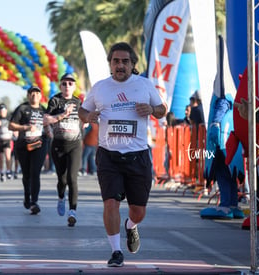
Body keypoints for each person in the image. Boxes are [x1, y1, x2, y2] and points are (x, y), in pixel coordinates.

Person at [78, 42, 167, 267]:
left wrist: (152, 110)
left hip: (138, 155)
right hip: (109, 155)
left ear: (132, 64)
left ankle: (131, 226)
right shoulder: (100, 87)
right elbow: (82, 109)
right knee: (110, 203)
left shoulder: (144, 85)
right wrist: (87, 117)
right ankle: (116, 251)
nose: (120, 65)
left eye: (125, 61)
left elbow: (162, 109)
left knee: (139, 210)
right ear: (110, 64)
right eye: (116, 61)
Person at [9, 86, 74, 215]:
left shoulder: (44, 110)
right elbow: (11, 125)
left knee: (35, 173)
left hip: (39, 144)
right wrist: (25, 127)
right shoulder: (22, 109)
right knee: (26, 174)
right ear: (28, 96)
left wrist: (50, 132)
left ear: (40, 96)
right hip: (23, 145)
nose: (34, 95)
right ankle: (27, 196)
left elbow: (49, 123)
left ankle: (34, 202)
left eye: (37, 93)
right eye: (32, 93)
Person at [46, 73, 83, 227]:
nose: (67, 86)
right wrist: (63, 115)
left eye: (70, 83)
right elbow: (46, 119)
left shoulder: (78, 102)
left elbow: (84, 118)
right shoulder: (55, 100)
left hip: (75, 145)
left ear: (74, 86)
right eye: (64, 83)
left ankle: (72, 211)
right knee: (62, 179)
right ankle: (61, 197)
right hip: (58, 145)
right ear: (60, 86)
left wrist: (86, 122)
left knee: (72, 178)